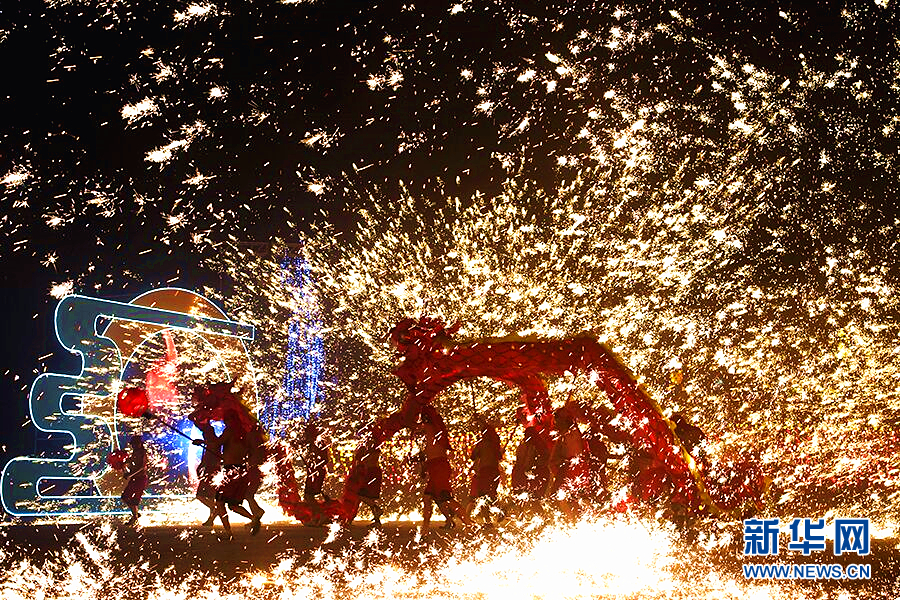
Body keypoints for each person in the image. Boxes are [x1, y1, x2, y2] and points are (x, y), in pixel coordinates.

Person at [418, 407, 471, 536]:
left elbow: (416, 427)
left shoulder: (430, 428)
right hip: (435, 467)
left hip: (439, 468)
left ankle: (469, 524)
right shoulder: (434, 431)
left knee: (446, 498)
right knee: (427, 498)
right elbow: (430, 452)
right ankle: (424, 530)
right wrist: (424, 466)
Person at [214, 410, 257, 541]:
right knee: (233, 505)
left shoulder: (229, 431)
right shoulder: (246, 434)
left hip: (230, 471)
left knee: (220, 503)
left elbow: (217, 443)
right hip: (241, 471)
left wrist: (202, 442)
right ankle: (253, 519)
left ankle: (229, 532)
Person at [547, 406, 587, 520]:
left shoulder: (572, 433)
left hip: (574, 468)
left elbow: (573, 452)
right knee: (562, 496)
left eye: (558, 420)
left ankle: (575, 519)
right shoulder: (564, 435)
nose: (556, 423)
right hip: (570, 467)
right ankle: (571, 519)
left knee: (569, 496)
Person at [466, 414, 502, 525]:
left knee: (483, 496)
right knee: (490, 496)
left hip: (485, 472)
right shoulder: (495, 444)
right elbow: (499, 457)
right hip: (495, 472)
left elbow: (472, 456)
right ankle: (497, 512)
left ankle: (493, 516)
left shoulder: (483, 444)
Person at [303, 421, 332, 526]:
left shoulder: (319, 443)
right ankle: (315, 518)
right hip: (313, 472)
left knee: (308, 495)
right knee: (308, 495)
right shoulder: (313, 443)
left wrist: (315, 467)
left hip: (316, 472)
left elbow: (324, 459)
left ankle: (321, 515)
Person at [348, 441, 383, 526]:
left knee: (361, 494)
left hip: (370, 472)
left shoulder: (367, 447)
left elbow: (359, 459)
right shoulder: (375, 446)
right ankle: (377, 520)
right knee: (369, 496)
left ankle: (376, 508)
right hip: (374, 471)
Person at [194, 420, 221, 526]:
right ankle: (211, 519)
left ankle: (215, 509)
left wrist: (202, 442)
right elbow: (205, 458)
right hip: (209, 470)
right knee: (210, 496)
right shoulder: (209, 444)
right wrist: (201, 466)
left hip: (213, 471)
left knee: (200, 495)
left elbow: (213, 447)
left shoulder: (214, 443)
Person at [121, 435, 148, 526]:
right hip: (135, 479)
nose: (134, 446)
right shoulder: (135, 452)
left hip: (140, 479)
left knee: (133, 499)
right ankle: (135, 514)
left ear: (140, 444)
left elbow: (142, 467)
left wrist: (130, 474)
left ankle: (135, 516)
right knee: (125, 497)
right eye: (133, 445)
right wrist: (123, 461)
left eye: (136, 444)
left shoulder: (142, 453)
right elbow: (131, 461)